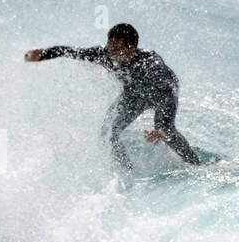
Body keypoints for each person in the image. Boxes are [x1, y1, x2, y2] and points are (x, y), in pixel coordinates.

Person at [24, 22, 201, 169]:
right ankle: (126, 168)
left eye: (116, 49)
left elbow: (165, 89)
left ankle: (195, 164)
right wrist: (42, 55)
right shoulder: (105, 55)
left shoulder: (150, 61)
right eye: (110, 47)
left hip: (160, 91)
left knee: (165, 128)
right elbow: (70, 51)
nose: (111, 53)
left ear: (131, 47)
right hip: (133, 94)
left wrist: (163, 127)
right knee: (108, 132)